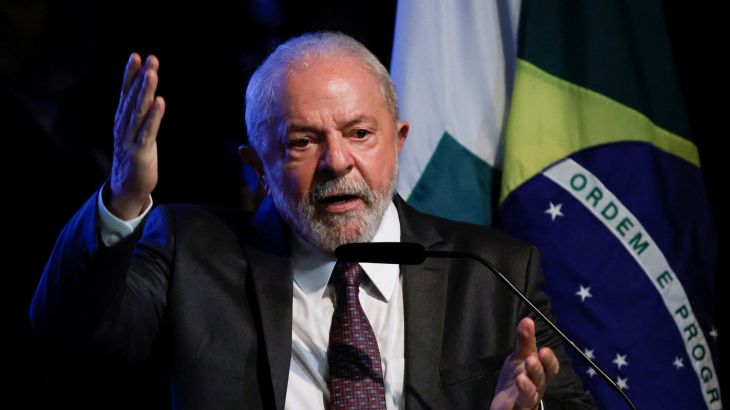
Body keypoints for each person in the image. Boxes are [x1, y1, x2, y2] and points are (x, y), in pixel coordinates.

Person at [31, 32, 596, 409]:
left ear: (397, 142)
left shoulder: (493, 271)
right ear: (257, 166)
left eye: (359, 134)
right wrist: (123, 199)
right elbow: (70, 333)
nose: (337, 162)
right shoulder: (191, 252)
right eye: (302, 141)